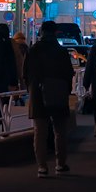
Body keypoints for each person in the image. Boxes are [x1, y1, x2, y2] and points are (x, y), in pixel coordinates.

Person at [24, 20, 75, 177]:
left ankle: (42, 167)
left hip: (38, 94)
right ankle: (60, 164)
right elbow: (68, 73)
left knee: (40, 132)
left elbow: (26, 73)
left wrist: (31, 90)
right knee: (60, 131)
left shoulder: (33, 50)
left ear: (41, 32)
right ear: (55, 33)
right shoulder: (61, 51)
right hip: (58, 93)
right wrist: (66, 90)